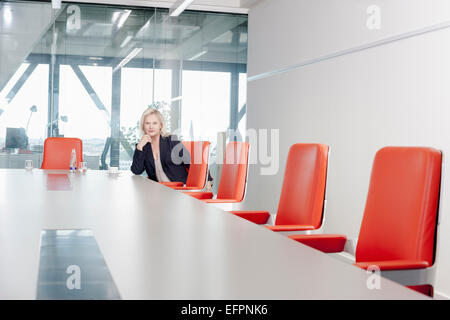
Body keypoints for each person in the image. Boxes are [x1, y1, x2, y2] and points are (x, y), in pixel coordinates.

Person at [131, 108, 212, 190]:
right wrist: (139, 147)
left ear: (160, 125)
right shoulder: (144, 147)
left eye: (155, 123)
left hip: (180, 190)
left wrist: (207, 180)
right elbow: (136, 170)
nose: (151, 126)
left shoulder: (171, 141)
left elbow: (192, 162)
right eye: (147, 123)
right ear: (143, 126)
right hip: (161, 191)